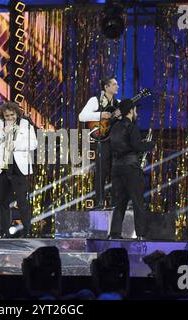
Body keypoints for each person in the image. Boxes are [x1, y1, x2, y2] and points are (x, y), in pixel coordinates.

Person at [0, 102, 37, 238]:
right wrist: (2, 133)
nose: (9, 118)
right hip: (4, 166)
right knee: (4, 201)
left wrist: (15, 145)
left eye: (12, 115)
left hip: (19, 166)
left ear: (17, 114)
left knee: (22, 201)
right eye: (6, 116)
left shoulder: (26, 125)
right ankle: (5, 232)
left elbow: (33, 144)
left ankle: (27, 231)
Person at [108, 99, 155, 241]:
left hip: (116, 169)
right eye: (135, 110)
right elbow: (137, 147)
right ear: (130, 110)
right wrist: (150, 144)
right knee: (137, 201)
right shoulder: (132, 127)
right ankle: (140, 234)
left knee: (120, 202)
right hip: (130, 169)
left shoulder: (114, 127)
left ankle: (115, 233)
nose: (136, 113)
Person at [79, 76, 121, 208]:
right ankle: (100, 201)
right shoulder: (95, 100)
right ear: (106, 87)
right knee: (101, 171)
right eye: (114, 84)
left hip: (114, 140)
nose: (117, 86)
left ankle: (116, 201)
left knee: (116, 171)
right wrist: (100, 115)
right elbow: (82, 116)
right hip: (102, 140)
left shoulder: (118, 103)